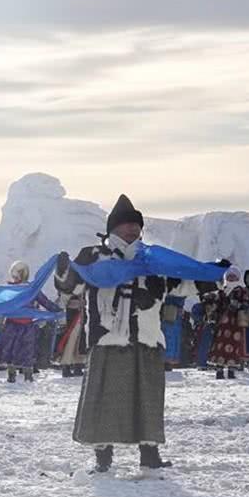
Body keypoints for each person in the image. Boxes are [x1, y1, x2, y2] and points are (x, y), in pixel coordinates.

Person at [54, 194, 183, 472]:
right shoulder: (93, 257)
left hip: (146, 337)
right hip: (107, 338)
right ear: (113, 228)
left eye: (136, 225)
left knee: (146, 398)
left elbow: (182, 283)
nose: (132, 229)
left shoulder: (152, 260)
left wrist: (213, 274)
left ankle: (150, 455)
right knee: (105, 398)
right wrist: (63, 271)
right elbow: (70, 288)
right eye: (126, 224)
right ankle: (103, 458)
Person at [0, 261, 61, 383]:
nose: (17, 275)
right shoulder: (10, 289)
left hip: (27, 325)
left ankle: (28, 375)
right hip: (12, 324)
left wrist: (57, 310)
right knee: (10, 349)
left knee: (27, 350)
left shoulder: (32, 289)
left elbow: (44, 301)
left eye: (20, 272)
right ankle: (11, 374)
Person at [207, 267, 248, 380]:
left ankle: (231, 370)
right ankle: (219, 369)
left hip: (235, 322)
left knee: (233, 345)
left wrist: (238, 306)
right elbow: (217, 304)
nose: (231, 278)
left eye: (233, 276)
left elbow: (245, 304)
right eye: (229, 276)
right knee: (220, 344)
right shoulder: (222, 290)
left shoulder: (241, 290)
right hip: (222, 323)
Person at [56, 287, 87, 378]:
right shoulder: (69, 283)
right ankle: (66, 366)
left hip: (80, 314)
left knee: (79, 340)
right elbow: (64, 299)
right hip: (71, 315)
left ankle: (77, 365)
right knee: (70, 340)